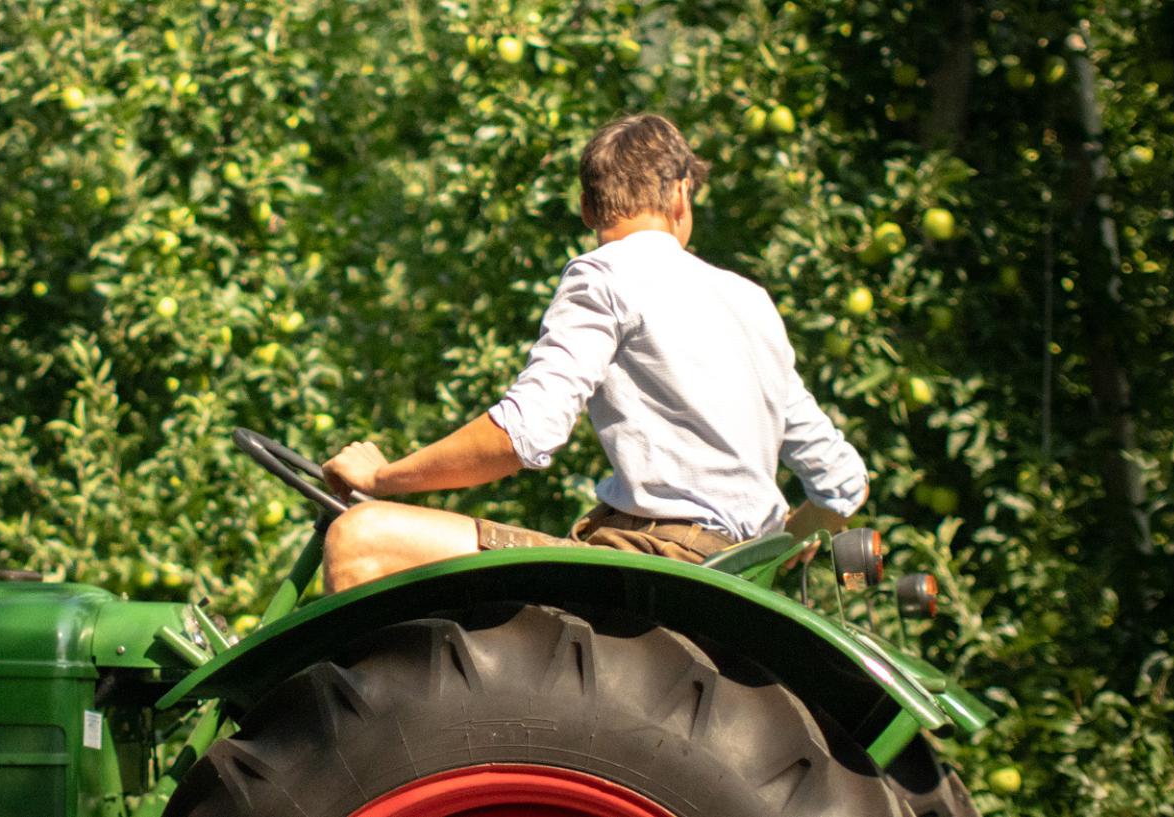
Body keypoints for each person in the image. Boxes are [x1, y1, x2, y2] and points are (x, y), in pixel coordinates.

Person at [318, 113, 868, 593]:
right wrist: (760, 567)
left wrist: (384, 479)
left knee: (361, 537)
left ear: (586, 207)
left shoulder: (605, 273)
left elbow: (523, 435)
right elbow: (843, 484)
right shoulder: (751, 302)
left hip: (656, 564)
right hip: (716, 574)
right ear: (680, 194)